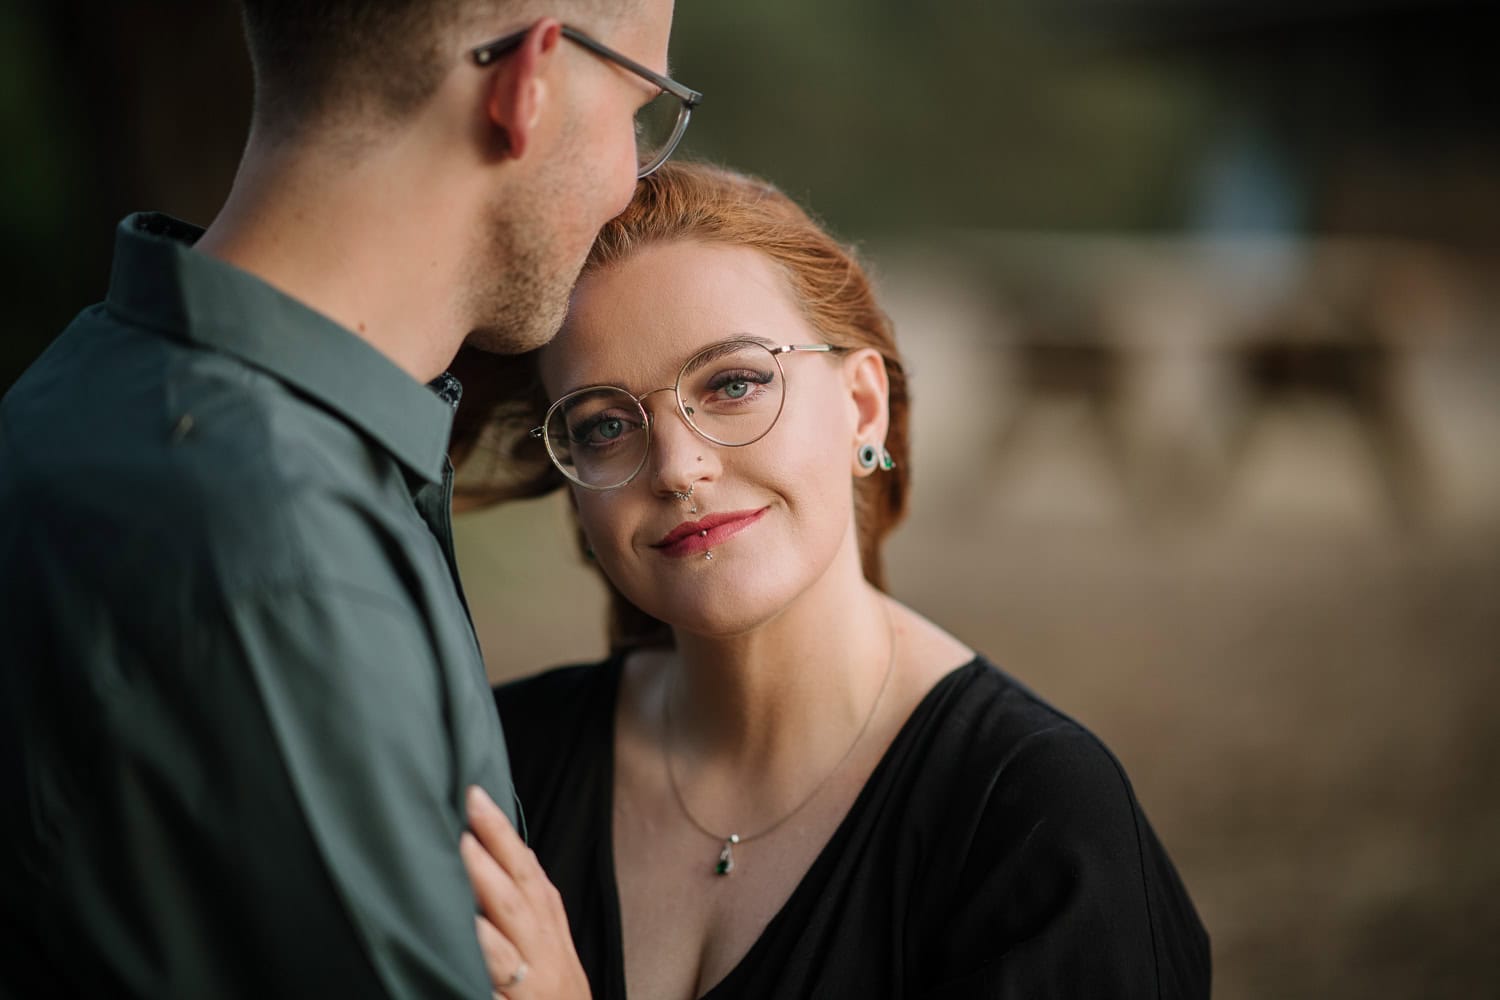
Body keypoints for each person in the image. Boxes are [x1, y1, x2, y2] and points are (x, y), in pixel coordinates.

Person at [0, 1, 694, 996]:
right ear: (529, 84)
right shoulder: (289, 561)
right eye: (642, 106)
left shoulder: (75, 385)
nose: (634, 180)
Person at [451, 161, 1213, 998]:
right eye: (604, 426)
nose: (677, 468)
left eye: (734, 383)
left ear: (862, 407)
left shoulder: (1035, 817)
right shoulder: (499, 768)